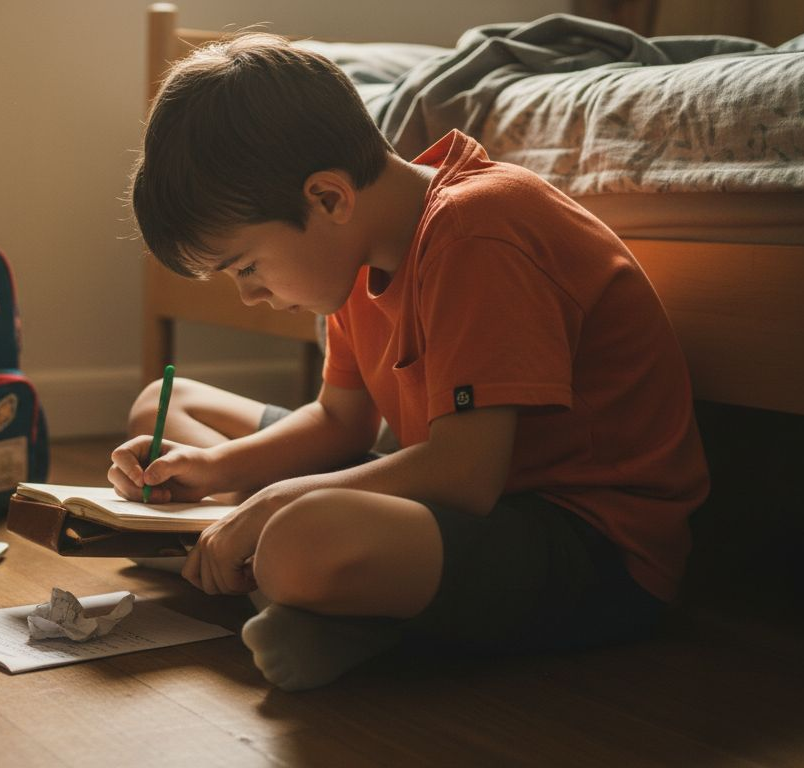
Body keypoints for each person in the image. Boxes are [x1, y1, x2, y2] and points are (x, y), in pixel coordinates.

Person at [110, 33, 709, 691]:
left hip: (592, 548)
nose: (251, 293)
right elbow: (341, 423)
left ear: (329, 198)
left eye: (247, 266)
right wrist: (213, 470)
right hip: (475, 501)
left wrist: (269, 503)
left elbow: (466, 474)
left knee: (299, 538)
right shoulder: (356, 252)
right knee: (171, 412)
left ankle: (323, 602)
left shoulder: (478, 228)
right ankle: (310, 599)